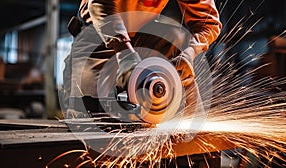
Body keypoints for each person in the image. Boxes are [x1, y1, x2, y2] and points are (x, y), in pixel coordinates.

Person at [63, 0, 222, 118]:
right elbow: (100, 4)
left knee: (176, 39)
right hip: (96, 36)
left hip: (140, 33)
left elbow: (207, 22)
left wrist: (190, 52)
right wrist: (125, 53)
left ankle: (177, 111)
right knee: (89, 113)